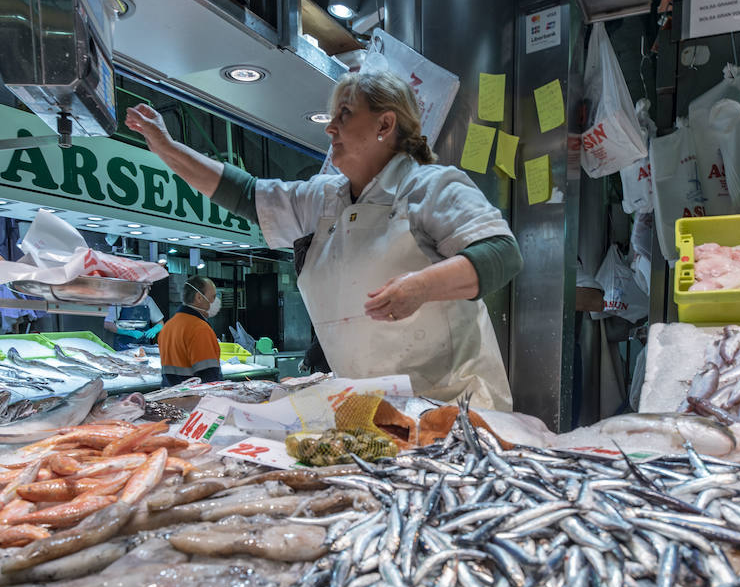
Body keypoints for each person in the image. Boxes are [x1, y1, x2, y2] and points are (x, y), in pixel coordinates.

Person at [124, 69, 524, 410]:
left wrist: (421, 286)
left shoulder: (430, 186)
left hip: (452, 407)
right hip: (369, 410)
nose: (331, 127)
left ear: (385, 125)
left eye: (346, 115)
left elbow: (500, 254)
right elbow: (245, 194)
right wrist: (166, 148)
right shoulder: (324, 197)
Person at [158, 276, 222, 387]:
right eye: (213, 296)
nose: (216, 301)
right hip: (195, 401)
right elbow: (210, 379)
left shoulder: (168, 326)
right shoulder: (199, 328)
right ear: (199, 298)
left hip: (171, 397)